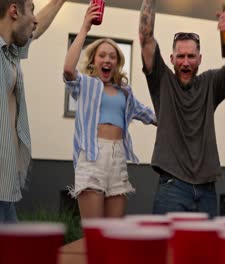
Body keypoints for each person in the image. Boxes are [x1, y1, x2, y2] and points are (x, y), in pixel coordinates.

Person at [0, 0, 67, 263]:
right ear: (13, 11)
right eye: (31, 10)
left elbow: (38, 28)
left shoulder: (11, 51)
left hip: (4, 192)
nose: (35, 19)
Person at [138, 0, 225, 218]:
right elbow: (145, 37)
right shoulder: (162, 80)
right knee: (166, 250)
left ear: (199, 59)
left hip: (207, 189)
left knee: (204, 251)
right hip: (172, 187)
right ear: (171, 59)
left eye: (190, 56)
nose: (185, 62)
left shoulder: (210, 82)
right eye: (180, 56)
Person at [63, 2, 156, 219]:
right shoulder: (86, 85)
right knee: (95, 233)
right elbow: (68, 69)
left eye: (112, 57)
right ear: (94, 61)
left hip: (118, 158)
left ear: (117, 63)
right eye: (102, 55)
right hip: (92, 156)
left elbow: (149, 115)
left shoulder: (125, 92)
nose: (107, 60)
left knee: (114, 232)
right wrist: (85, 27)